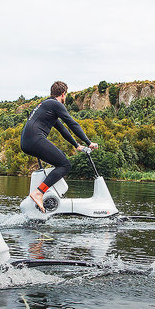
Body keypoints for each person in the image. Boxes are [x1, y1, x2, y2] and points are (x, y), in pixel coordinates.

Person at [20, 81, 98, 212]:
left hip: (26, 142)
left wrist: (76, 145)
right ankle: (39, 193)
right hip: (34, 139)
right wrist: (88, 142)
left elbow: (63, 129)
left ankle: (45, 198)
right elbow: (72, 124)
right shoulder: (55, 104)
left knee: (60, 162)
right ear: (63, 94)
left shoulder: (47, 105)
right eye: (65, 95)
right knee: (65, 165)